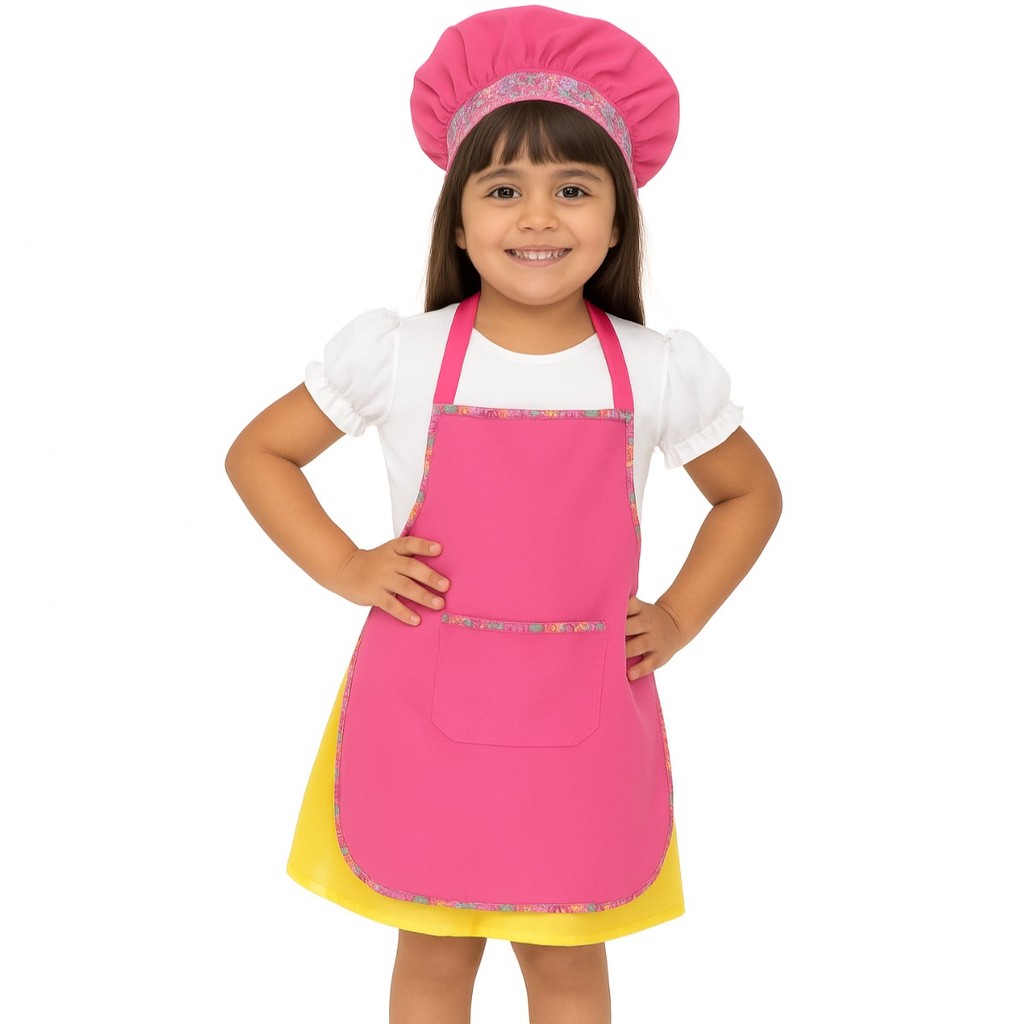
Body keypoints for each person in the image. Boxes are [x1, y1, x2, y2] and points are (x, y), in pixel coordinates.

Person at [225, 6, 782, 1023]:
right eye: (502, 189)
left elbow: (749, 493)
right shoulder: (401, 355)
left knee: (566, 961)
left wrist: (679, 615)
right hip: (425, 711)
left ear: (617, 221)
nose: (537, 217)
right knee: (434, 953)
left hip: (581, 717)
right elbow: (261, 452)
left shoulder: (655, 369)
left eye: (572, 189)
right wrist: (347, 565)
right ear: (457, 219)